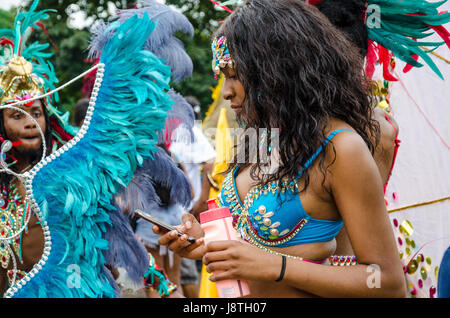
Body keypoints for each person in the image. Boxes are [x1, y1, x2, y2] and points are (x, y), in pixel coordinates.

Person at [155, 0, 406, 298]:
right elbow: (251, 238)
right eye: (223, 76)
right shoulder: (260, 137)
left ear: (276, 68)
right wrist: (205, 242)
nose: (226, 91)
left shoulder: (340, 147)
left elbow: (387, 282)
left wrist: (277, 267)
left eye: (234, 74)